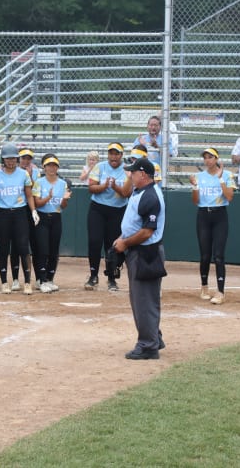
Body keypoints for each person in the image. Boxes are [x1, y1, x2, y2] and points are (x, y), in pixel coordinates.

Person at [112, 157, 166, 360]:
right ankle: (154, 338)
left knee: (144, 301)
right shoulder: (140, 192)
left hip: (146, 254)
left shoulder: (150, 196)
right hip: (140, 251)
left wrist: (125, 243)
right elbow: (135, 223)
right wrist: (122, 237)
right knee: (142, 299)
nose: (130, 175)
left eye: (133, 172)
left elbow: (147, 231)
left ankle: (148, 346)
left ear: (143, 174)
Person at [0, 142, 39, 295]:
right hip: (2, 213)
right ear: (3, 159)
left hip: (20, 213)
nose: (11, 161)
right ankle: (4, 282)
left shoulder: (23, 174)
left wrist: (33, 211)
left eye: (13, 158)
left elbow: (29, 194)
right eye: (8, 158)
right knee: (3, 248)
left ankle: (27, 282)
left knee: (23, 247)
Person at [189, 147, 236, 305]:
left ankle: (220, 292)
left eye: (210, 157)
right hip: (203, 215)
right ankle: (204, 287)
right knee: (205, 255)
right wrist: (195, 186)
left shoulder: (227, 175)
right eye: (205, 157)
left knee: (219, 255)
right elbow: (195, 201)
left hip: (220, 215)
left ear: (216, 159)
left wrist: (221, 179)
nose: (207, 160)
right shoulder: (199, 176)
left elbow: (229, 197)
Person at [85, 142, 133, 291]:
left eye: (116, 154)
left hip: (117, 210)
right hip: (98, 209)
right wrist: (104, 186)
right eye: (111, 153)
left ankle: (111, 278)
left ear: (121, 155)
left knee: (112, 245)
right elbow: (91, 187)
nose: (114, 157)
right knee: (94, 241)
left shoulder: (127, 170)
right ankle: (93, 276)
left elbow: (127, 193)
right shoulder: (100, 167)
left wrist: (115, 187)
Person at [32, 154, 71, 293]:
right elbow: (37, 203)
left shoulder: (62, 183)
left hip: (56, 217)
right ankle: (41, 280)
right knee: (43, 249)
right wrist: (48, 197)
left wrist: (65, 199)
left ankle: (49, 279)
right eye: (49, 165)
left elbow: (63, 206)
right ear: (44, 167)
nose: (52, 168)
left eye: (54, 165)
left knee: (54, 250)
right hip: (42, 217)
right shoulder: (39, 182)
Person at [134, 115, 178, 181]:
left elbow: (169, 155)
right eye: (151, 125)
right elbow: (134, 158)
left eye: (156, 125)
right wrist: (142, 145)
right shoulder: (140, 139)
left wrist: (157, 147)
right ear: (147, 126)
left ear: (160, 127)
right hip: (143, 173)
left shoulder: (165, 139)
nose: (153, 127)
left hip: (158, 172)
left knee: (156, 185)